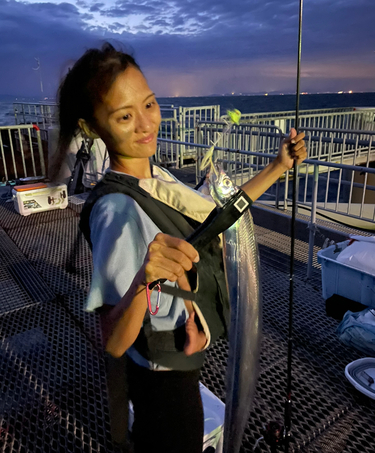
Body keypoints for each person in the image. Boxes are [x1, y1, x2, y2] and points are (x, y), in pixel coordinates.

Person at [51, 42, 307, 453]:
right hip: (163, 378)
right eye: (124, 116)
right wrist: (143, 279)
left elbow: (222, 216)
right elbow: (114, 342)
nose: (145, 124)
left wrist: (277, 167)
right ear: (92, 127)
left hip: (179, 357)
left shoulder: (156, 174)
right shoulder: (117, 210)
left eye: (149, 105)